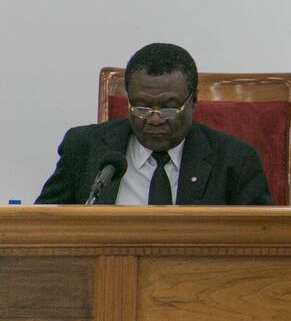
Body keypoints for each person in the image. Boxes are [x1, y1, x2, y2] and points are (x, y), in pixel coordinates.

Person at [36, 43, 272, 205]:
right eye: (141, 107)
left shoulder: (234, 161)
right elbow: (43, 228)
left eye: (169, 108)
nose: (154, 119)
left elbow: (260, 243)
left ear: (193, 102)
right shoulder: (85, 149)